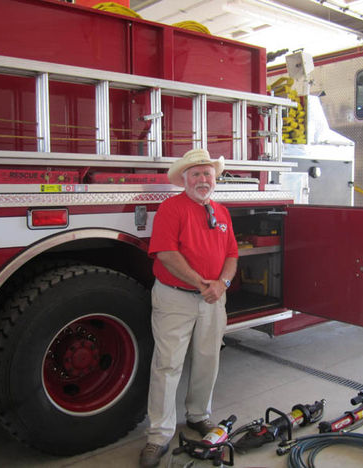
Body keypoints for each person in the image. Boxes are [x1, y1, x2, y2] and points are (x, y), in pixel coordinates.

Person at [140, 148, 238, 468]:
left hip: (213, 297)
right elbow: (166, 253)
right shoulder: (171, 208)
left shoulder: (221, 211)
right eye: (195, 173)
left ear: (215, 178)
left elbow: (232, 256)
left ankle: (198, 416)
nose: (202, 178)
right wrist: (202, 284)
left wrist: (221, 284)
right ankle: (158, 436)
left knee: (208, 359)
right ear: (184, 179)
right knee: (168, 365)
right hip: (176, 297)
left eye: (207, 173)